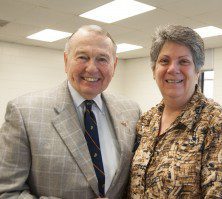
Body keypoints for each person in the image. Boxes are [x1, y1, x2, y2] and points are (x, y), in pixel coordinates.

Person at [0, 25, 141, 199]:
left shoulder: (131, 111)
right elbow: (7, 191)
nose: (91, 68)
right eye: (83, 57)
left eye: (102, 59)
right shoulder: (23, 112)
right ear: (66, 61)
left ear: (115, 64)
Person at [128, 25, 222, 198]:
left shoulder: (217, 122)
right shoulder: (146, 120)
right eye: (164, 61)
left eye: (183, 61)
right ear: (154, 70)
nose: (172, 69)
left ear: (197, 70)